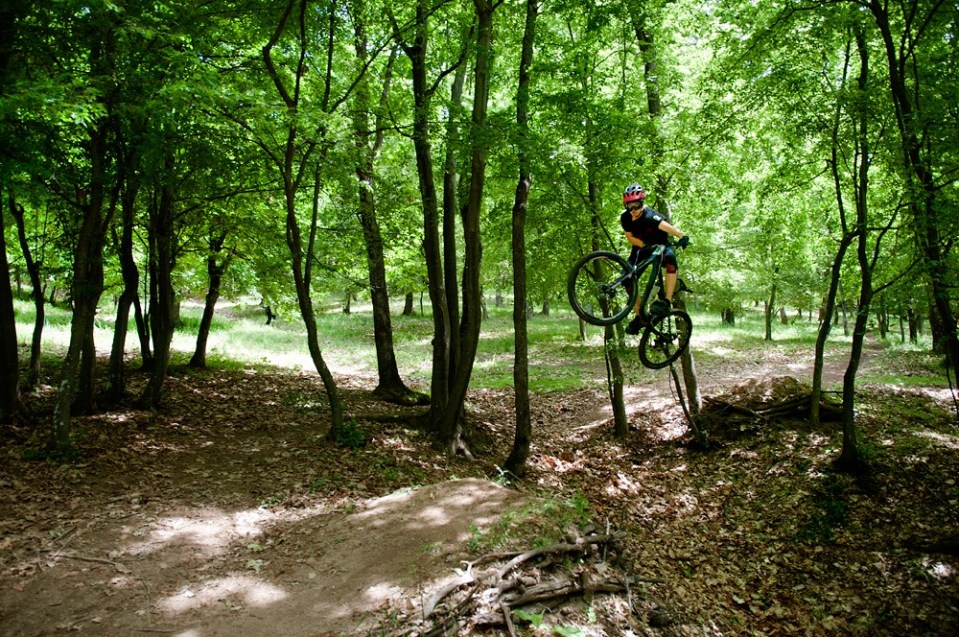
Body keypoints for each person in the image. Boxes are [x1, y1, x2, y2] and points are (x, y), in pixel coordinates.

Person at [620, 183, 689, 335]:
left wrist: (682, 236)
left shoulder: (651, 216)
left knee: (671, 260)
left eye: (637, 206)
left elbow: (668, 227)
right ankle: (640, 317)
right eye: (629, 206)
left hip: (661, 247)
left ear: (642, 203)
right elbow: (630, 237)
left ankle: (667, 300)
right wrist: (645, 245)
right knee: (626, 279)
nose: (633, 210)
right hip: (641, 249)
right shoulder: (625, 218)